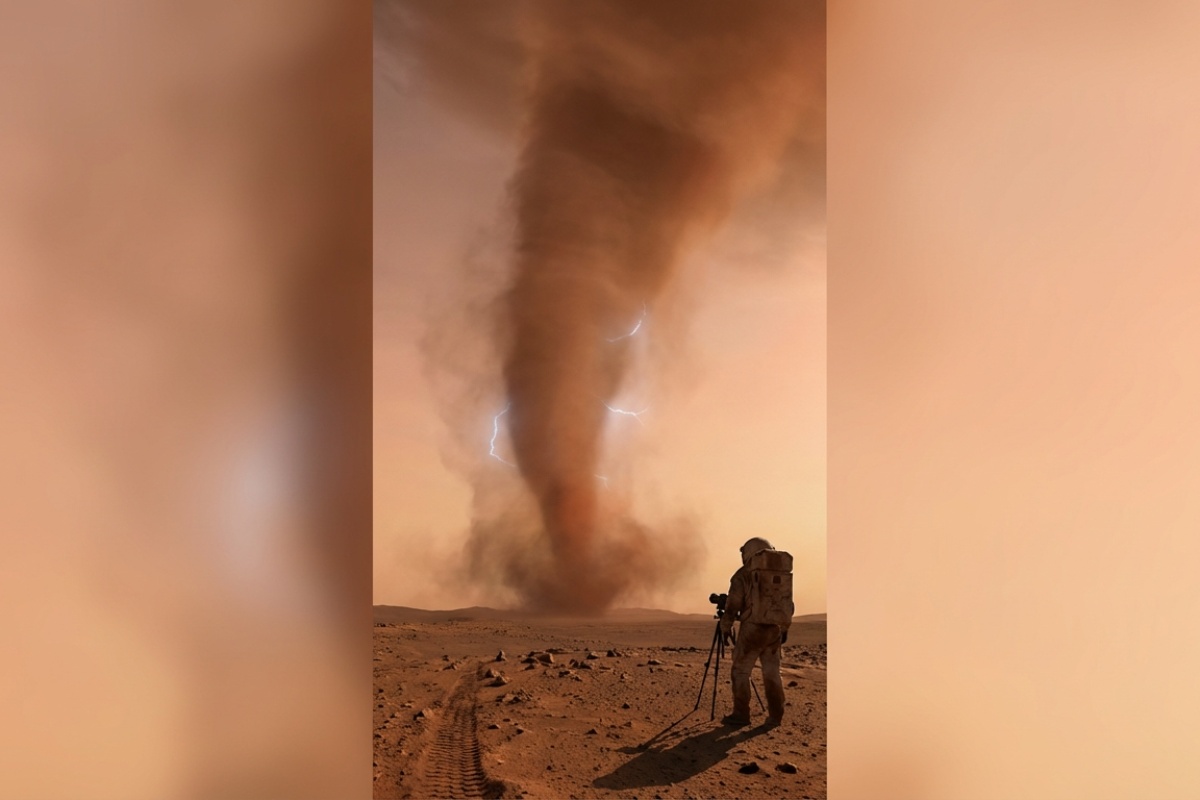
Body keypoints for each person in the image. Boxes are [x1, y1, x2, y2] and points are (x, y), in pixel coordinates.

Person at [718, 537, 789, 727]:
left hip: (753, 629)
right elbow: (788, 604)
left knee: (741, 671)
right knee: (772, 673)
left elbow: (733, 606)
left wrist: (725, 627)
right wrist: (785, 628)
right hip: (774, 629)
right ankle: (776, 716)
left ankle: (741, 715)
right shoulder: (781, 573)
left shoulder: (742, 575)